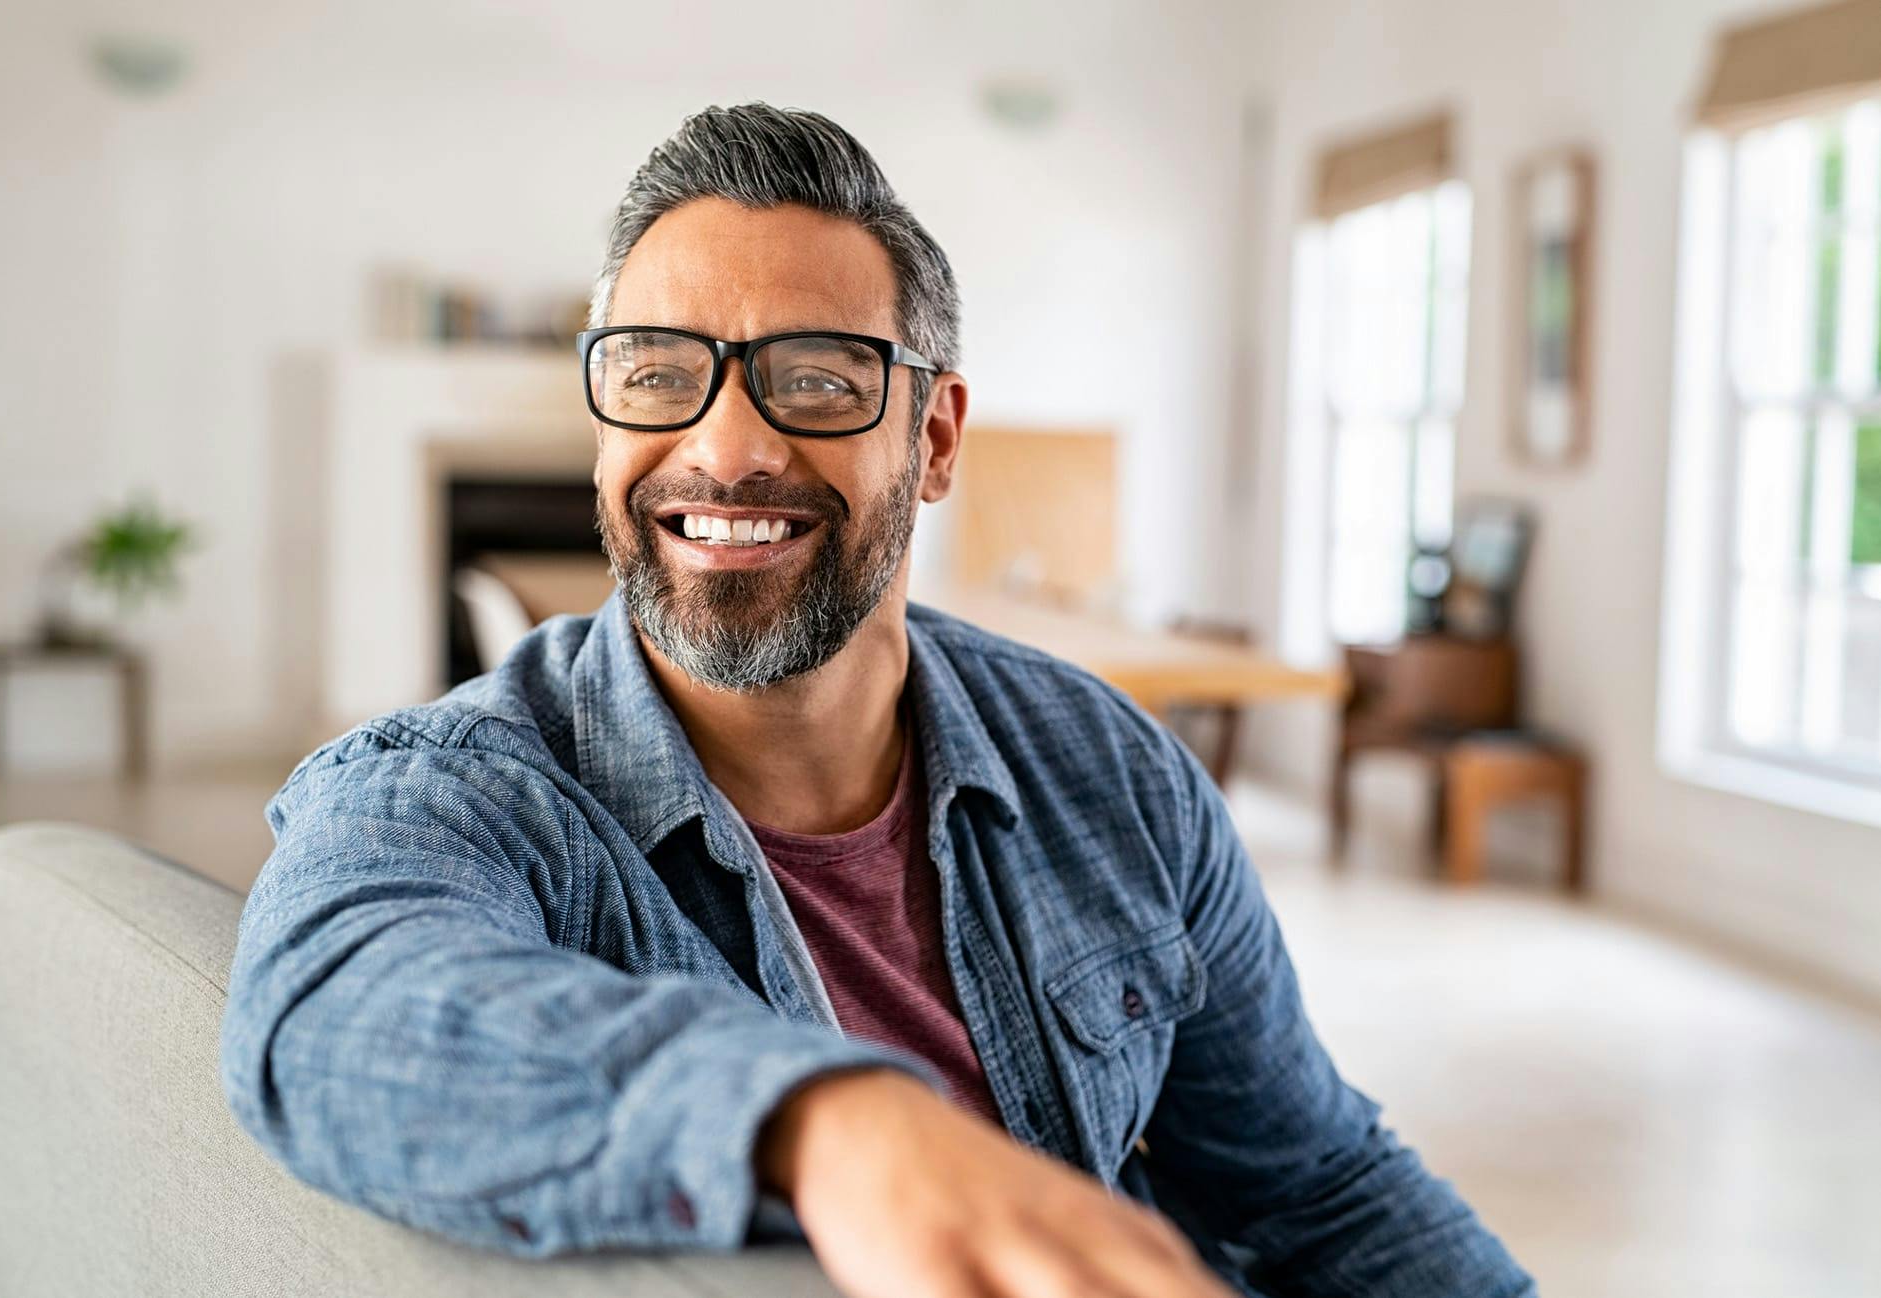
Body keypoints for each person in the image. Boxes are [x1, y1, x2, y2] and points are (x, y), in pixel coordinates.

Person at [220, 103, 1534, 1298]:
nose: (726, 447)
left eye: (818, 377)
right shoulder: (454, 783)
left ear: (937, 437)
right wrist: (830, 1121)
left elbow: (1315, 1186)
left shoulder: (1113, 772)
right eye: (657, 371)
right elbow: (329, 1013)